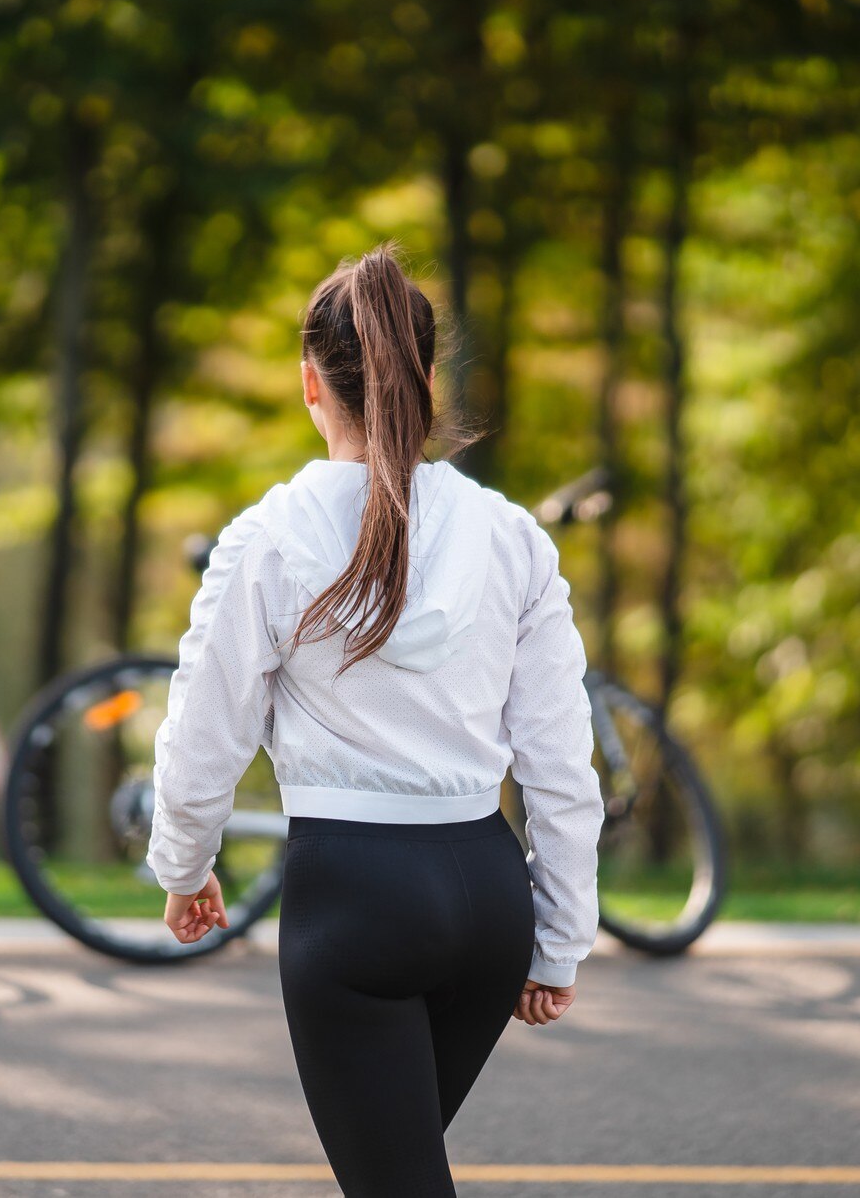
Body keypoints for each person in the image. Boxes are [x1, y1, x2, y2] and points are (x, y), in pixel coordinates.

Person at [144, 243, 602, 1197]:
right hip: (488, 900)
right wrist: (560, 933)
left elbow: (204, 732)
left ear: (309, 383)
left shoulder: (268, 537)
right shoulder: (513, 536)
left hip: (354, 904)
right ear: (427, 380)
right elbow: (561, 760)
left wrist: (184, 867)